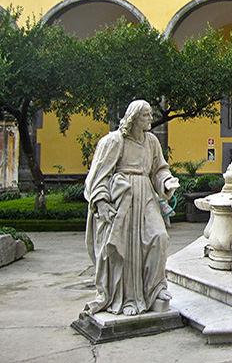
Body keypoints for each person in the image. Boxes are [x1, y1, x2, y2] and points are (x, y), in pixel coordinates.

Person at [83, 100, 180, 316]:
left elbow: (159, 169)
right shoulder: (115, 141)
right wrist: (101, 201)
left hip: (146, 193)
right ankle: (126, 297)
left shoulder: (152, 142)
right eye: (145, 115)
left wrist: (166, 182)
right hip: (123, 197)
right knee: (125, 248)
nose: (150, 118)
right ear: (134, 117)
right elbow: (98, 175)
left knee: (159, 237)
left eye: (150, 114)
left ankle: (155, 289)